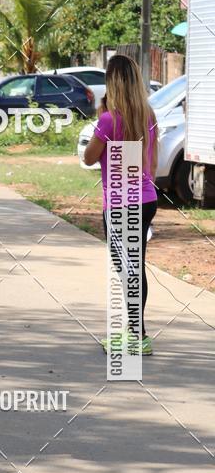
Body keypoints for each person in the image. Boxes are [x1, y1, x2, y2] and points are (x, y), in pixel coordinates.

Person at [83, 54, 158, 354]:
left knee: (126, 269)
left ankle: (137, 336)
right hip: (146, 199)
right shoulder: (148, 115)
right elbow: (151, 162)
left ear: (112, 83)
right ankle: (138, 334)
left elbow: (89, 158)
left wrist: (101, 121)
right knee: (135, 266)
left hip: (119, 205)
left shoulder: (108, 120)